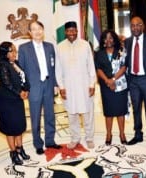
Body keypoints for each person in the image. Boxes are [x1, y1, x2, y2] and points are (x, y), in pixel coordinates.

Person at [18, 21, 61, 155]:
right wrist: (25, 88)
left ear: (43, 30)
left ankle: (50, 141)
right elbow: (21, 70)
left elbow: (53, 68)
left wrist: (55, 84)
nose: (37, 32)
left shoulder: (50, 47)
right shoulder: (24, 48)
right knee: (35, 117)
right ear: (30, 33)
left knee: (50, 115)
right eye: (34, 29)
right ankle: (38, 143)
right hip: (34, 87)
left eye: (40, 29)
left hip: (48, 85)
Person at [55, 21, 96, 149]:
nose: (72, 33)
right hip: (69, 87)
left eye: (74, 30)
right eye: (69, 31)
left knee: (87, 114)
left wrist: (92, 84)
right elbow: (58, 69)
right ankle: (75, 138)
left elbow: (91, 66)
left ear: (77, 31)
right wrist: (61, 87)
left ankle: (89, 138)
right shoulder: (60, 47)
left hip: (84, 86)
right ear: (65, 32)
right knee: (72, 115)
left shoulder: (85, 45)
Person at [0, 42, 30, 165]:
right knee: (10, 128)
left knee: (19, 125)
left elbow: (24, 77)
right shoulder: (2, 65)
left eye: (15, 50)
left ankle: (20, 148)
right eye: (12, 51)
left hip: (17, 99)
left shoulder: (16, 63)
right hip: (6, 100)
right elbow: (7, 83)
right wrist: (19, 93)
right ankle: (13, 152)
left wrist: (26, 90)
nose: (15, 53)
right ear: (5, 53)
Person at [124, 16, 146, 147]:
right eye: (133, 25)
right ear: (130, 27)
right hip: (133, 80)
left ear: (142, 26)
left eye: (138, 25)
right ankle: (138, 134)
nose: (135, 27)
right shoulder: (127, 42)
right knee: (136, 108)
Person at [94, 29, 128, 145]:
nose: (108, 40)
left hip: (120, 84)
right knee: (108, 111)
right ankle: (108, 134)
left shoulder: (121, 51)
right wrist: (107, 81)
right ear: (103, 40)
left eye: (111, 38)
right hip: (106, 86)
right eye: (106, 38)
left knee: (120, 111)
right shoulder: (99, 53)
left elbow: (124, 67)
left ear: (114, 39)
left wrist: (113, 79)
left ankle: (122, 133)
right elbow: (98, 69)